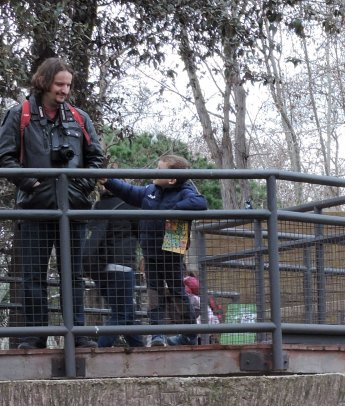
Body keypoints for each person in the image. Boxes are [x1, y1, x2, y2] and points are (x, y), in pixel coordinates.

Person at [0, 57, 106, 348]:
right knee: (33, 275)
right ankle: (35, 337)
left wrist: (82, 186)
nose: (64, 90)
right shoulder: (19, 114)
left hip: (72, 207)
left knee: (72, 275)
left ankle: (77, 334)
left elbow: (96, 158)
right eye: (60, 84)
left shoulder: (79, 117)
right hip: (35, 205)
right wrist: (32, 184)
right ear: (45, 82)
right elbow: (5, 157)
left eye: (68, 85)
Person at [102, 154, 208, 344]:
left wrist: (172, 211)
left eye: (159, 170)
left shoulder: (185, 191)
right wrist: (108, 181)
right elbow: (129, 191)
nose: (154, 172)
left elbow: (200, 203)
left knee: (177, 292)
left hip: (172, 250)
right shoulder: (150, 190)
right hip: (150, 251)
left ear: (172, 179)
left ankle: (189, 334)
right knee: (153, 293)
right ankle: (157, 334)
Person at [83, 191, 144, 348]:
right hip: (122, 266)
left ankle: (141, 352)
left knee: (127, 315)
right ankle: (98, 352)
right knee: (121, 315)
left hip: (100, 270)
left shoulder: (97, 207)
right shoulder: (129, 206)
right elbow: (142, 232)